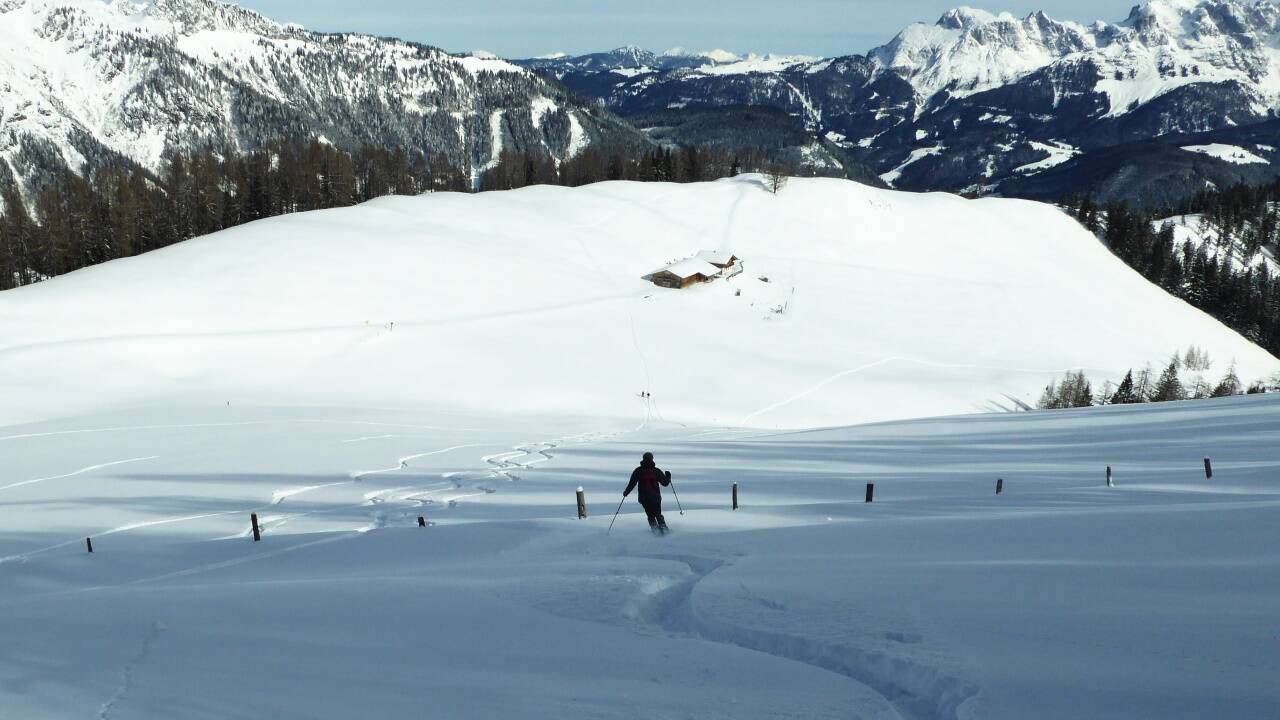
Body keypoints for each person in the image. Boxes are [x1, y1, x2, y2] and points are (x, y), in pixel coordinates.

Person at [623, 451, 671, 533]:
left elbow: (632, 483)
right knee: (658, 513)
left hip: (644, 497)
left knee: (650, 515)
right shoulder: (656, 471)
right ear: (652, 459)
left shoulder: (638, 471)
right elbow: (665, 483)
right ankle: (664, 529)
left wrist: (626, 493)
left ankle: (655, 531)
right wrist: (668, 476)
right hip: (655, 497)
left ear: (643, 459)